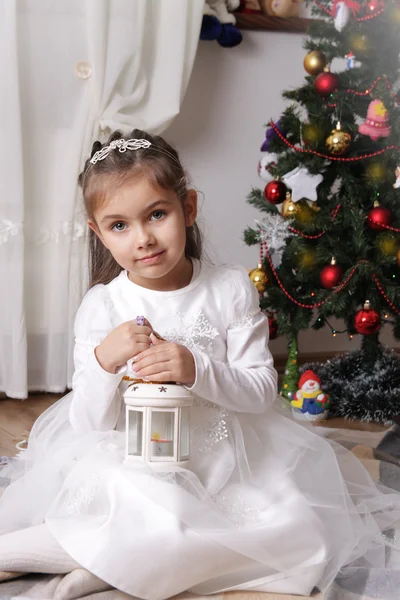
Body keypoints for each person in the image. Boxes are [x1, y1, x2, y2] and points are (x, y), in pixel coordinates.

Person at [0, 129, 400, 600]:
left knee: (299, 533)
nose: (144, 239)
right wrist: (103, 362)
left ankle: (113, 564)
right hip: (135, 458)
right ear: (98, 233)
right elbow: (90, 423)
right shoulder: (103, 306)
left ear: (187, 208)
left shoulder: (228, 290)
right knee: (140, 503)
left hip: (228, 456)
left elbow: (258, 392)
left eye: (157, 214)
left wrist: (196, 368)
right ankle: (54, 554)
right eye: (119, 226)